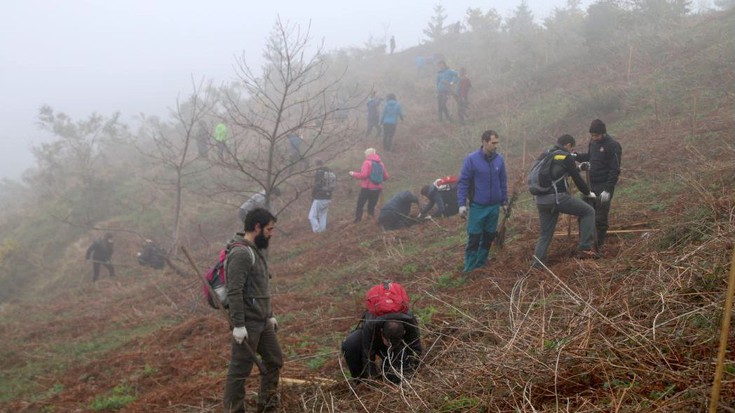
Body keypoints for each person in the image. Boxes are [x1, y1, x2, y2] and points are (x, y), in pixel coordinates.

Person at [224, 208, 283, 413]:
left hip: (262, 320)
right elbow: (235, 291)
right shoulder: (241, 252)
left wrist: (270, 314)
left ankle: (267, 406)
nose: (271, 233)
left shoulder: (255, 248)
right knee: (239, 371)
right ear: (257, 227)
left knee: (274, 360)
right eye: (269, 228)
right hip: (248, 323)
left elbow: (261, 287)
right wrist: (238, 325)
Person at [532, 135, 599, 267]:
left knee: (545, 234)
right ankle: (585, 248)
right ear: (568, 145)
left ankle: (537, 264)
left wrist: (579, 168)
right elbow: (576, 179)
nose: (572, 151)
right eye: (572, 148)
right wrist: (588, 193)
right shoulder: (565, 156)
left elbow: (557, 174)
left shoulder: (546, 154)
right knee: (588, 211)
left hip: (541, 200)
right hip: (558, 198)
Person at [457, 130, 508, 272]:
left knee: (488, 236)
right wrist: (461, 204)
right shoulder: (471, 159)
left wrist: (504, 201)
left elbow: (503, 182)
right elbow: (463, 182)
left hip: (494, 207)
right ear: (484, 142)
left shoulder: (499, 159)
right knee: (474, 237)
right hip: (478, 206)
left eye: (497, 142)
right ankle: (469, 268)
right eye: (493, 143)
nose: (496, 146)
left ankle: (481, 265)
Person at [574, 119, 622, 252]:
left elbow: (615, 169)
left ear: (603, 133)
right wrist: (575, 156)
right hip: (590, 185)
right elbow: (589, 157)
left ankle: (597, 245)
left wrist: (608, 189)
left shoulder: (613, 145)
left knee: (600, 218)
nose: (594, 138)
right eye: (592, 136)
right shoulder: (593, 143)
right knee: (584, 213)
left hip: (603, 185)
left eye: (596, 136)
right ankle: (584, 244)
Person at [341, 311, 422, 385]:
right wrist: (373, 379)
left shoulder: (410, 322)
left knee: (396, 376)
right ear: (381, 332)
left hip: (399, 344)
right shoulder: (370, 325)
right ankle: (360, 382)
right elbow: (368, 356)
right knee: (351, 344)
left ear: (404, 332)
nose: (389, 346)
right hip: (373, 336)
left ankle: (393, 373)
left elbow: (416, 350)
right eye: (388, 343)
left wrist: (412, 369)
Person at [349, 148, 389, 223]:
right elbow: (386, 177)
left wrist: (353, 174)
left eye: (365, 154)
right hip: (377, 189)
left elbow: (364, 175)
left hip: (366, 188)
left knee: (360, 204)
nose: (364, 156)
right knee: (371, 206)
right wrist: (378, 179)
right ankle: (370, 221)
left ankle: (358, 220)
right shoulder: (381, 163)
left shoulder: (367, 162)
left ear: (368, 154)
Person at [309, 160, 334, 233]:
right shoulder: (330, 172)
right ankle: (322, 231)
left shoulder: (319, 173)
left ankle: (317, 231)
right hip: (328, 197)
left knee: (312, 216)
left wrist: (313, 195)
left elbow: (317, 185)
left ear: (316, 165)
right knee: (323, 215)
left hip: (319, 197)